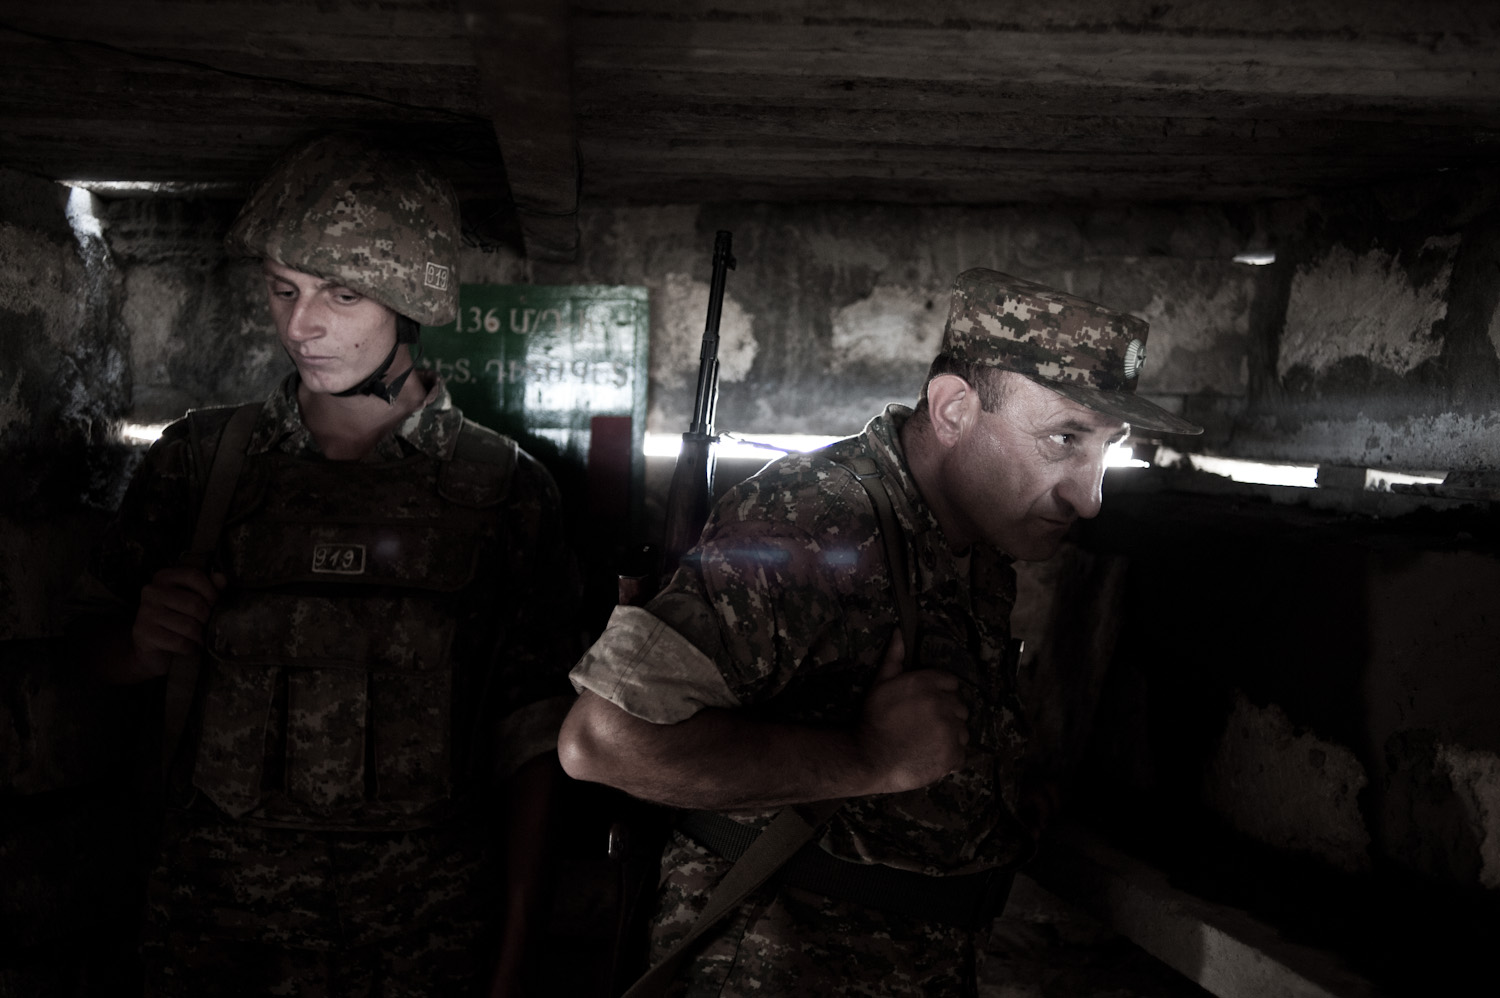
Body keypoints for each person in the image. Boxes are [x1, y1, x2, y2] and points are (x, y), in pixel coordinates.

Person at [557, 268, 1202, 997]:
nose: (1090, 497)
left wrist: (991, 798)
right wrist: (867, 758)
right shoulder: (818, 519)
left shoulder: (978, 536)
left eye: (1106, 447)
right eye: (1063, 438)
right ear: (954, 409)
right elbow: (601, 740)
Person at [72, 133, 579, 996]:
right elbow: (83, 663)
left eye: (341, 294)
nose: (302, 325)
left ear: (407, 303)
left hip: (421, 940)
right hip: (209, 934)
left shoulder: (503, 490)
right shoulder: (200, 460)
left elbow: (534, 738)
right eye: (285, 289)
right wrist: (141, 646)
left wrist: (517, 950)